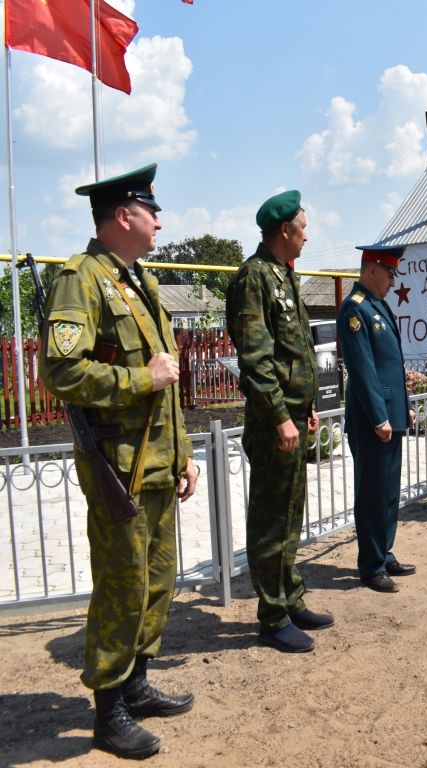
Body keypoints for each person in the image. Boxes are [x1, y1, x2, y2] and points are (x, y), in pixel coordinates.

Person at [41, 164, 198, 760]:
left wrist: (183, 453)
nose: (160, 220)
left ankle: (137, 685)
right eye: (151, 210)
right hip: (120, 469)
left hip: (157, 463)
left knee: (157, 581)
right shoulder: (80, 281)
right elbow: (60, 370)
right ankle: (108, 712)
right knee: (121, 586)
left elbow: (170, 382)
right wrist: (139, 377)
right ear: (123, 216)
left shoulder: (139, 281)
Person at [226, 190, 332, 653]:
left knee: (291, 514)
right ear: (284, 231)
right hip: (273, 424)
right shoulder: (253, 279)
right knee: (271, 519)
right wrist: (279, 418)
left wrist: (305, 407)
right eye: (303, 228)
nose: (307, 236)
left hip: (291, 415)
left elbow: (296, 352)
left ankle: (290, 599)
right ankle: (271, 617)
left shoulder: (284, 277)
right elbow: (257, 359)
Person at [337, 244, 417, 592]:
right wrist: (379, 417)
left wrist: (405, 403)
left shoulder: (378, 305)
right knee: (371, 492)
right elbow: (364, 370)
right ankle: (370, 565)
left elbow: (392, 366)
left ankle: (384, 552)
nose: (391, 281)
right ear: (372, 271)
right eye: (389, 274)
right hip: (374, 418)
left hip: (390, 413)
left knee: (387, 490)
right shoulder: (354, 310)